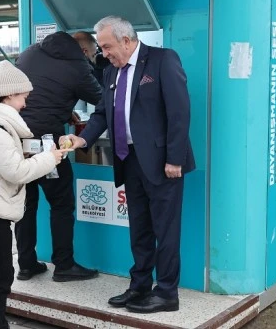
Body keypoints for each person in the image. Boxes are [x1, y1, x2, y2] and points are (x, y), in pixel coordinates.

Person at [62, 16, 195, 314]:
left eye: (107, 46)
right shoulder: (110, 72)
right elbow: (100, 115)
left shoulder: (162, 60)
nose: (104, 53)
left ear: (126, 40)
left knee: (166, 229)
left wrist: (175, 158)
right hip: (129, 160)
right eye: (101, 47)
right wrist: (81, 141)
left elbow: (179, 111)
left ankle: (167, 293)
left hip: (163, 163)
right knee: (140, 229)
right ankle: (140, 286)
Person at [0, 60, 69, 329]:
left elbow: (4, 165)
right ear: (10, 94)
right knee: (0, 278)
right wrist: (50, 158)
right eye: (24, 96)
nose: (26, 103)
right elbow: (17, 173)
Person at [14, 31, 102, 282]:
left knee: (25, 205)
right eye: (95, 54)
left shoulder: (30, 52)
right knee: (61, 204)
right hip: (47, 145)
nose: (95, 59)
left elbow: (40, 94)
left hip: (19, 142)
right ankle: (64, 265)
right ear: (85, 51)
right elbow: (103, 99)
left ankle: (26, 264)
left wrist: (64, 111)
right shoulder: (78, 65)